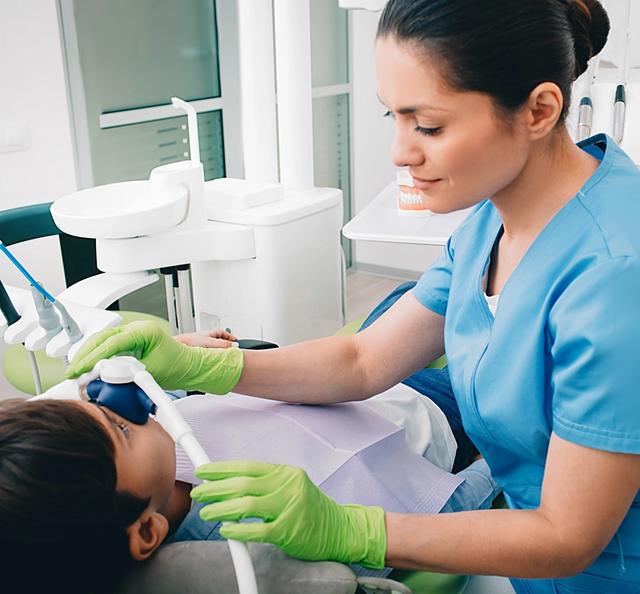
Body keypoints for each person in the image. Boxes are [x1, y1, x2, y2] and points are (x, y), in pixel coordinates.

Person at [67, 0, 640, 592]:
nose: (400, 151)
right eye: (392, 116)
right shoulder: (492, 222)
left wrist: (353, 531)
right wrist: (201, 364)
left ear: (539, 110)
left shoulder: (614, 280)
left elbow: (568, 536)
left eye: (429, 125)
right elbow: (363, 360)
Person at [0, 326, 496, 594]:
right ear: (146, 532)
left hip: (342, 372)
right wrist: (502, 458)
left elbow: (171, 393)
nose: (114, 401)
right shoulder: (260, 538)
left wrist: (187, 355)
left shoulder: (155, 450)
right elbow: (441, 519)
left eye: (91, 402)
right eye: (117, 424)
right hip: (426, 409)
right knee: (494, 323)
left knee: (422, 298)